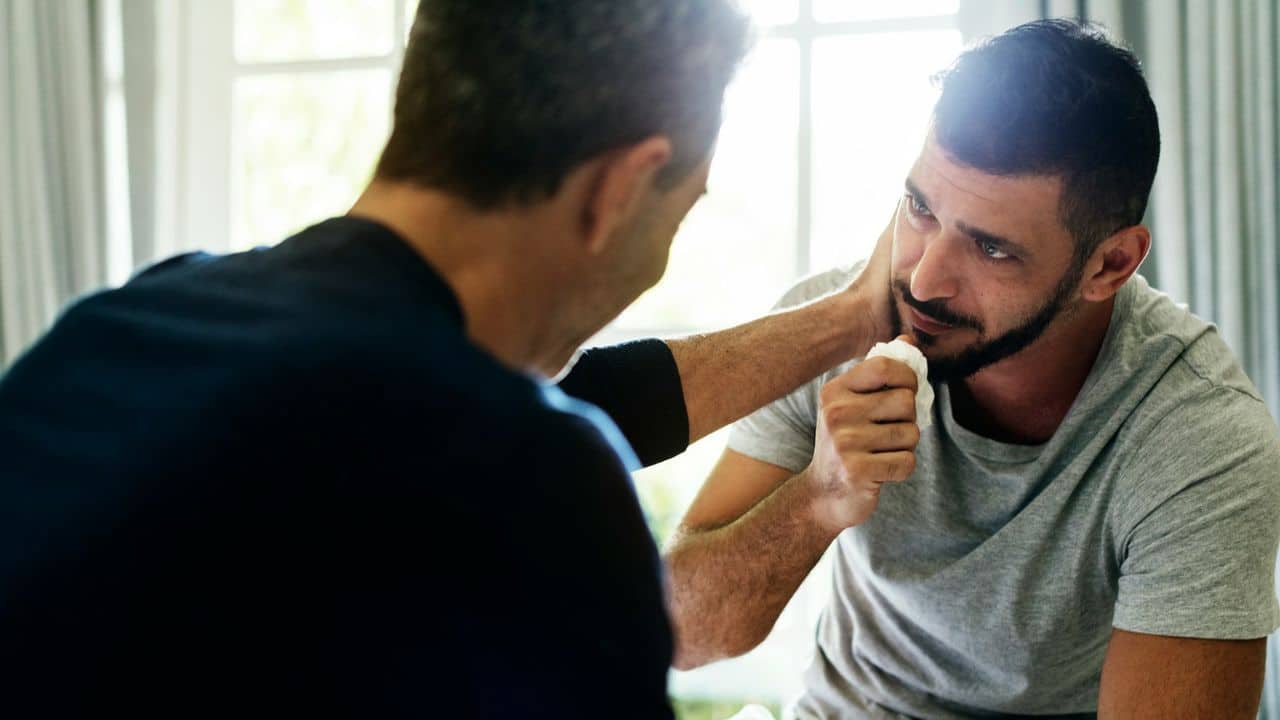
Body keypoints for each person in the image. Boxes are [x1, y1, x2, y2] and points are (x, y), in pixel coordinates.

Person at [0, 1, 898, 716]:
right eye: (680, 209)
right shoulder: (528, 477)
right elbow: (516, 434)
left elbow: (558, 398)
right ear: (619, 190)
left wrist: (853, 318)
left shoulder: (125, 329)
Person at [665, 19, 1280, 719]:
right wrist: (817, 499)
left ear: (1109, 264)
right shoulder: (832, 332)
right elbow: (682, 636)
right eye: (921, 209)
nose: (924, 281)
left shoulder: (1198, 439)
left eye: (991, 250)